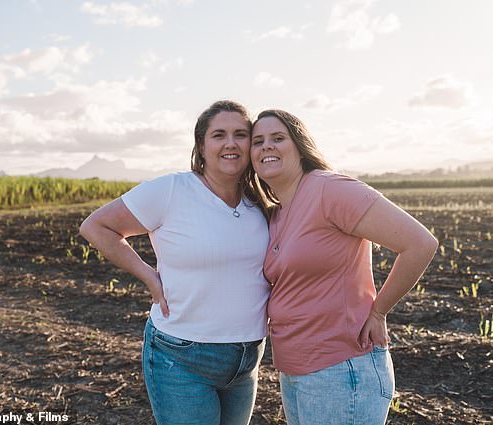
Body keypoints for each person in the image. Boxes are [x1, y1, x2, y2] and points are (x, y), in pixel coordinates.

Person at [79, 100, 271, 425]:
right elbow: (96, 226)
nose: (230, 143)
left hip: (247, 358)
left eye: (241, 134)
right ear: (201, 144)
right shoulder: (171, 190)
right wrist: (149, 277)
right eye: (219, 135)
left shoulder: (261, 201)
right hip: (182, 357)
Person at [248, 109, 438, 425]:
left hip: (341, 367)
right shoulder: (277, 212)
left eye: (278, 138)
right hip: (295, 370)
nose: (266, 146)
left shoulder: (330, 189)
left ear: (299, 146)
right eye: (258, 141)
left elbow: (420, 243)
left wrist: (379, 312)